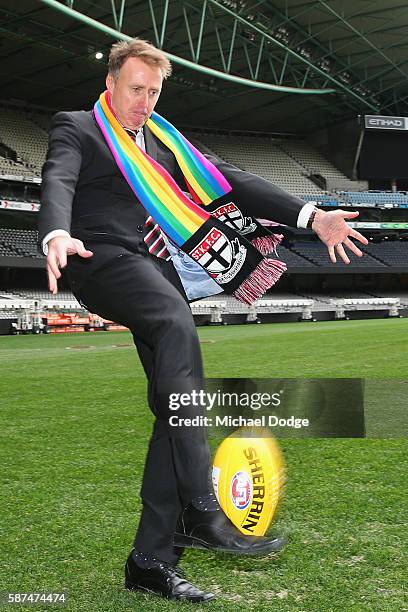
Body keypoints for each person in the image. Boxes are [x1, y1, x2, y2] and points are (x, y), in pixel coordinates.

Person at [38, 38, 368, 604]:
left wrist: (312, 214)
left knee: (175, 400)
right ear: (113, 82)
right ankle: (200, 504)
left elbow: (230, 177)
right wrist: (55, 232)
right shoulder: (78, 127)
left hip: (152, 268)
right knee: (175, 326)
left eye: (154, 92)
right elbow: (58, 177)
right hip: (98, 259)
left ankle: (150, 560)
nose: (145, 102)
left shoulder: (168, 144)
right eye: (136, 89)